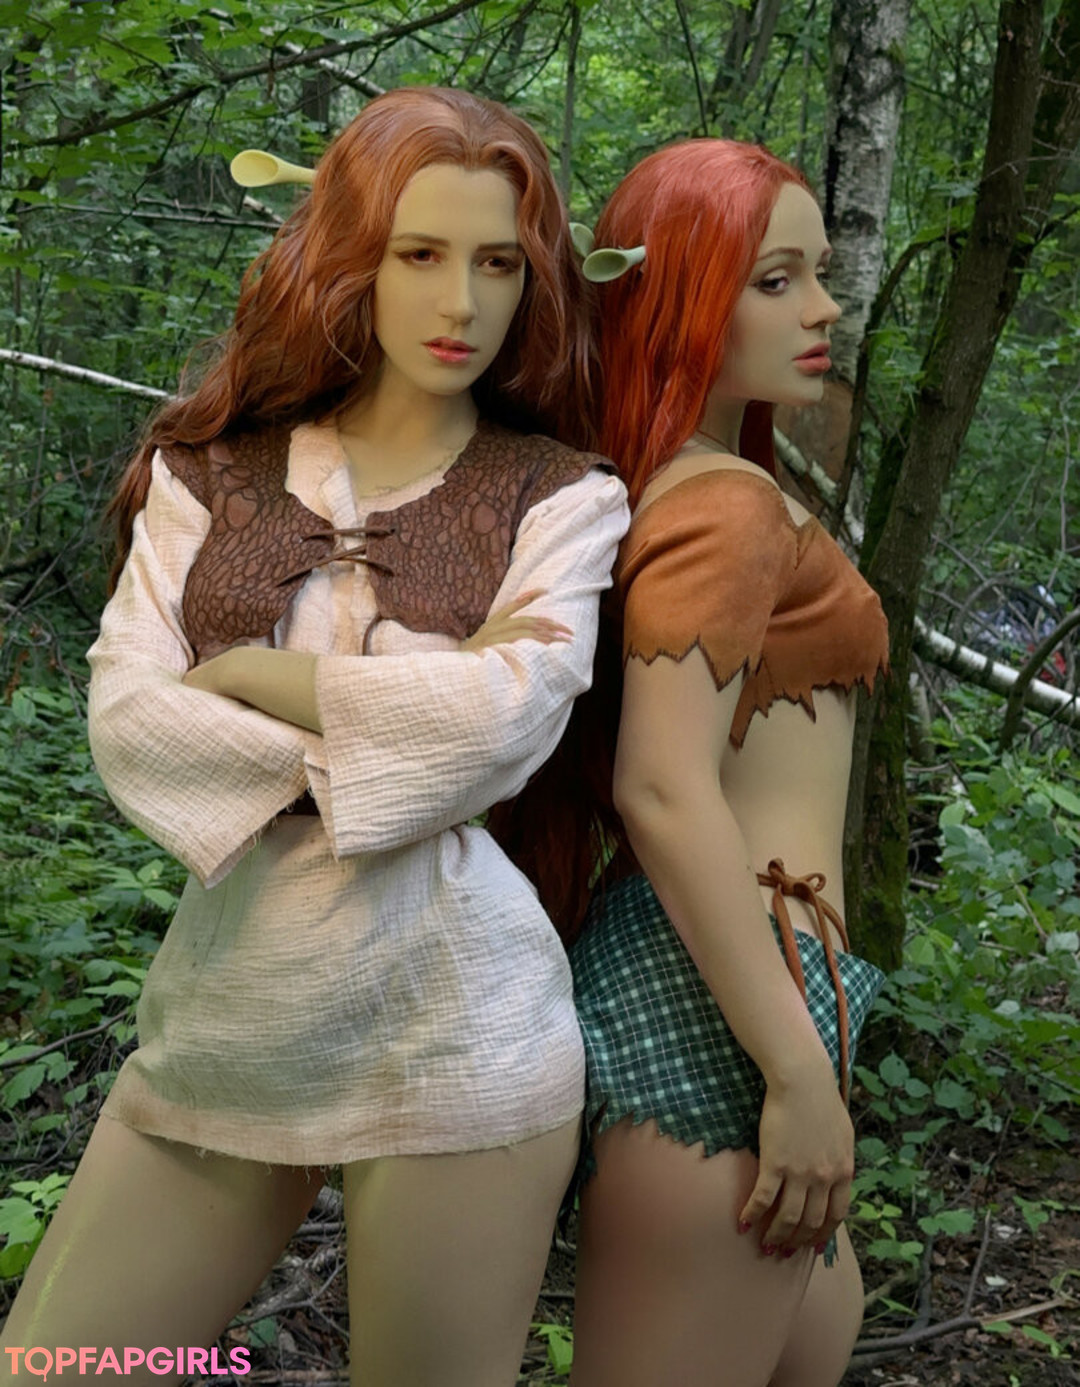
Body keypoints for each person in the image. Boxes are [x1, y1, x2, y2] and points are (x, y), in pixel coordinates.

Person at [0, 87, 628, 1387]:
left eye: (498, 262)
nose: (461, 300)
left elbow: (507, 719)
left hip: (464, 1025)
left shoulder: (566, 496)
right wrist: (410, 714)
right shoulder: (209, 471)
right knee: (54, 1366)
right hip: (231, 1008)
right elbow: (130, 716)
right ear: (351, 257)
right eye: (420, 252)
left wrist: (256, 675)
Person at [561, 141, 890, 1386]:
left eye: (820, 275)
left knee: (815, 1336)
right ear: (678, 296)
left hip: (748, 989)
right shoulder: (722, 504)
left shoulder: (691, 484)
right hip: (725, 1006)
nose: (823, 309)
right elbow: (660, 784)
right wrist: (795, 1069)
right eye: (775, 280)